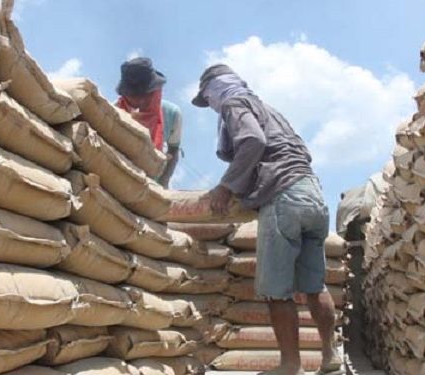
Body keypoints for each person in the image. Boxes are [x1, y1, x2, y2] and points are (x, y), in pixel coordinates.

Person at [191, 64, 342, 375]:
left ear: (214, 90)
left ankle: (290, 366)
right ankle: (329, 358)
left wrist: (226, 186)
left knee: (276, 291)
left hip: (284, 197)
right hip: (313, 193)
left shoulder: (234, 103)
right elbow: (299, 151)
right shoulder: (270, 109)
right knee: (315, 286)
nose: (212, 107)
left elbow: (252, 141)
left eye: (209, 100)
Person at [116, 57, 182, 188]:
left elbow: (173, 151)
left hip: (155, 185)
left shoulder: (172, 113)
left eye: (146, 95)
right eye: (135, 96)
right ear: (125, 95)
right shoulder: (113, 115)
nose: (141, 101)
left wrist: (163, 183)